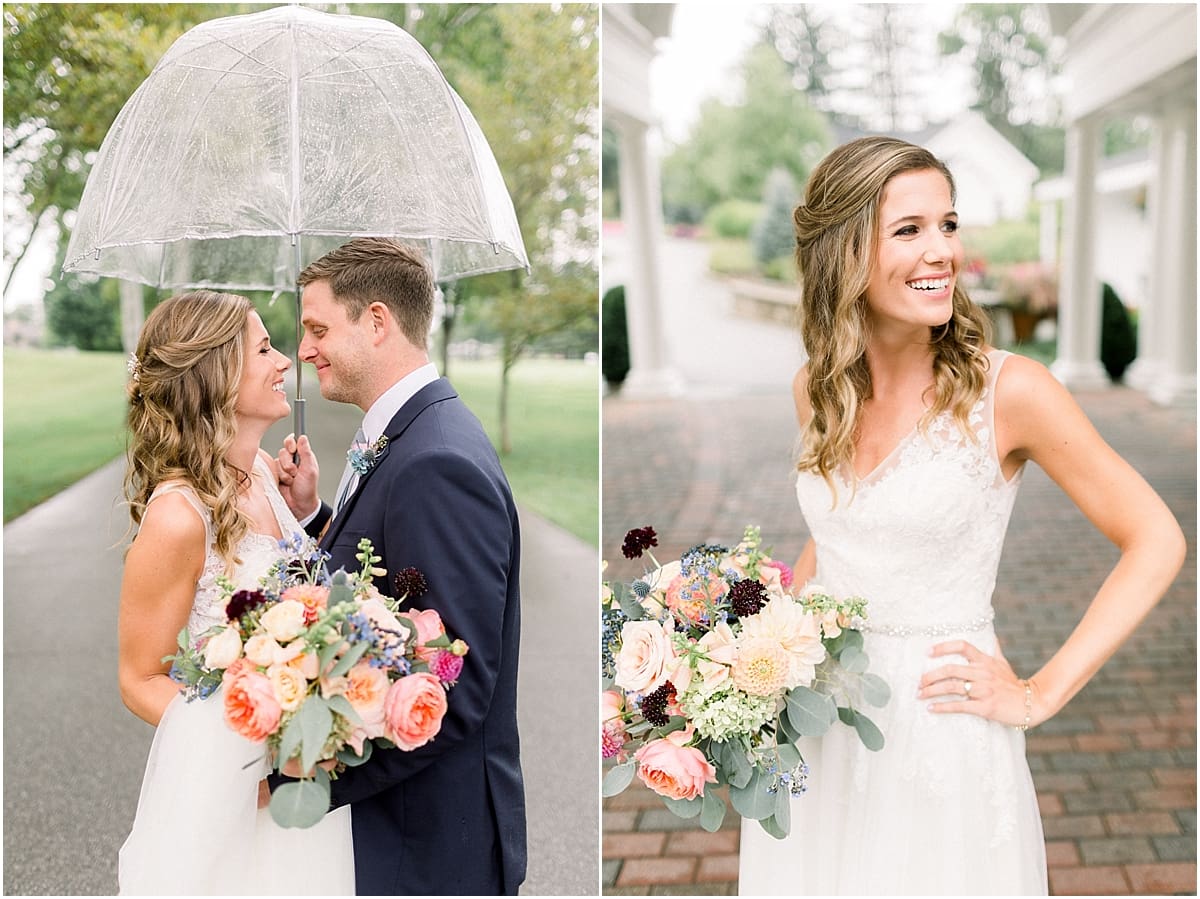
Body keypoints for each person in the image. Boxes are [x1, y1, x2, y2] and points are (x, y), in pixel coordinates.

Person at [737, 137, 1186, 895]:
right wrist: (751, 658)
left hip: (937, 728)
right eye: (909, 229)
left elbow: (1157, 539)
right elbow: (839, 534)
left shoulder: (1011, 392)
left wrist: (1039, 692)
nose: (942, 250)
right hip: (816, 726)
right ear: (844, 251)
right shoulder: (815, 387)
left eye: (949, 223)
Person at [272, 238, 526, 895]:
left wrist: (303, 774)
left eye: (318, 328)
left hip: (429, 849)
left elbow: (452, 685)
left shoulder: (435, 461)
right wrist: (314, 519)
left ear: (377, 320)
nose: (304, 349)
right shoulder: (407, 435)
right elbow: (392, 584)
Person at [116, 290, 354, 894]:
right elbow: (139, 677)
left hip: (301, 783)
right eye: (266, 348)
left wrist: (308, 514)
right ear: (217, 373)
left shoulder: (264, 478)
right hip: (229, 797)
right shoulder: (177, 517)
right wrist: (237, 761)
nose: (285, 362)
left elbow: (298, 598)